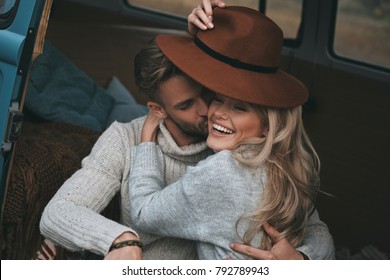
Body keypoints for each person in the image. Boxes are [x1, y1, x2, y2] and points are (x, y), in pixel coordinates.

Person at [39, 1, 335, 260]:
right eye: (186, 105)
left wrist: (303, 261)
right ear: (158, 109)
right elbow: (59, 213)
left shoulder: (237, 148)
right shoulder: (124, 139)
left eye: (211, 93)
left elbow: (312, 225)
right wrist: (118, 239)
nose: (210, 111)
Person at [127, 5, 329, 260]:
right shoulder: (290, 164)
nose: (216, 113)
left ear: (268, 125)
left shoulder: (223, 171)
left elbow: (144, 214)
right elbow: (319, 231)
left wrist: (146, 142)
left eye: (240, 108)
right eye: (217, 98)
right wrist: (303, 259)